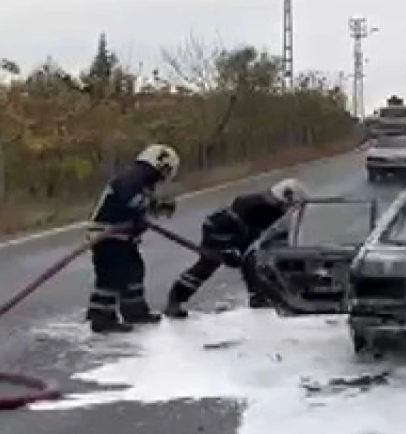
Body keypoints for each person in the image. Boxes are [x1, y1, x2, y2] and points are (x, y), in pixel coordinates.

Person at [163, 178, 310, 319]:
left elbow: (278, 237)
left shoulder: (277, 212)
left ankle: (258, 297)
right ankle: (175, 299)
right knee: (207, 266)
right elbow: (230, 226)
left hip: (241, 235)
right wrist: (229, 248)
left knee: (254, 261)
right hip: (219, 230)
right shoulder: (251, 205)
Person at [85, 143, 180, 333]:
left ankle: (134, 311)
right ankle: (102, 318)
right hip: (107, 234)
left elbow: (140, 200)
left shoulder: (140, 180)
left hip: (121, 236)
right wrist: (140, 214)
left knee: (134, 270)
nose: (163, 178)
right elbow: (127, 199)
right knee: (112, 275)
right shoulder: (133, 177)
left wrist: (158, 207)